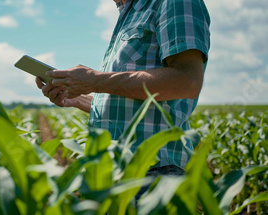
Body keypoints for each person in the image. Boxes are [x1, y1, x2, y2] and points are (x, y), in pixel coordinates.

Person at [36, 0, 210, 199]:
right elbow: (126, 104)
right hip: (114, 174)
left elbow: (187, 81)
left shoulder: (174, 3)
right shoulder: (129, 14)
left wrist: (95, 80)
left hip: (152, 174)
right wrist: (75, 99)